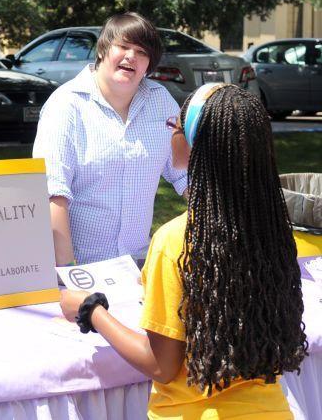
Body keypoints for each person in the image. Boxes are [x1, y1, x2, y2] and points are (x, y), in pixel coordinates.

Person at [60, 84, 307, 418]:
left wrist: (91, 311)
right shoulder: (273, 231)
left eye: (174, 126)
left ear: (195, 143)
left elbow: (160, 365)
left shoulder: (177, 241)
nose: (170, 133)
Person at [33, 13, 187, 265]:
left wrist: (216, 226)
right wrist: (69, 273)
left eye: (142, 52)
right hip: (83, 266)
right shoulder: (66, 105)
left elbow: (184, 171)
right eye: (124, 46)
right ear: (103, 49)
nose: (131, 57)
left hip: (139, 264)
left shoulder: (161, 102)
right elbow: (53, 192)